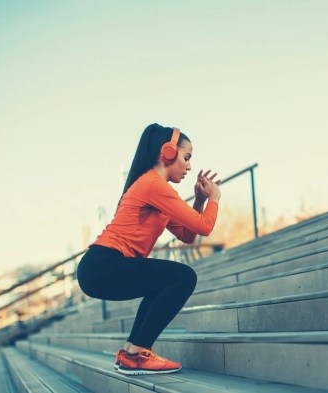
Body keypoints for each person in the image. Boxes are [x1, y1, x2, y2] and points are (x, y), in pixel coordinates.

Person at [77, 123, 221, 375]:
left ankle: (131, 353)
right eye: (186, 158)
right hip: (104, 264)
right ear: (167, 152)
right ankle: (137, 353)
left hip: (99, 267)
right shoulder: (154, 185)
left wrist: (198, 200)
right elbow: (205, 226)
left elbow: (189, 235)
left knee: (165, 281)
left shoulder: (156, 188)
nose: (188, 166)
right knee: (183, 277)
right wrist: (215, 199)